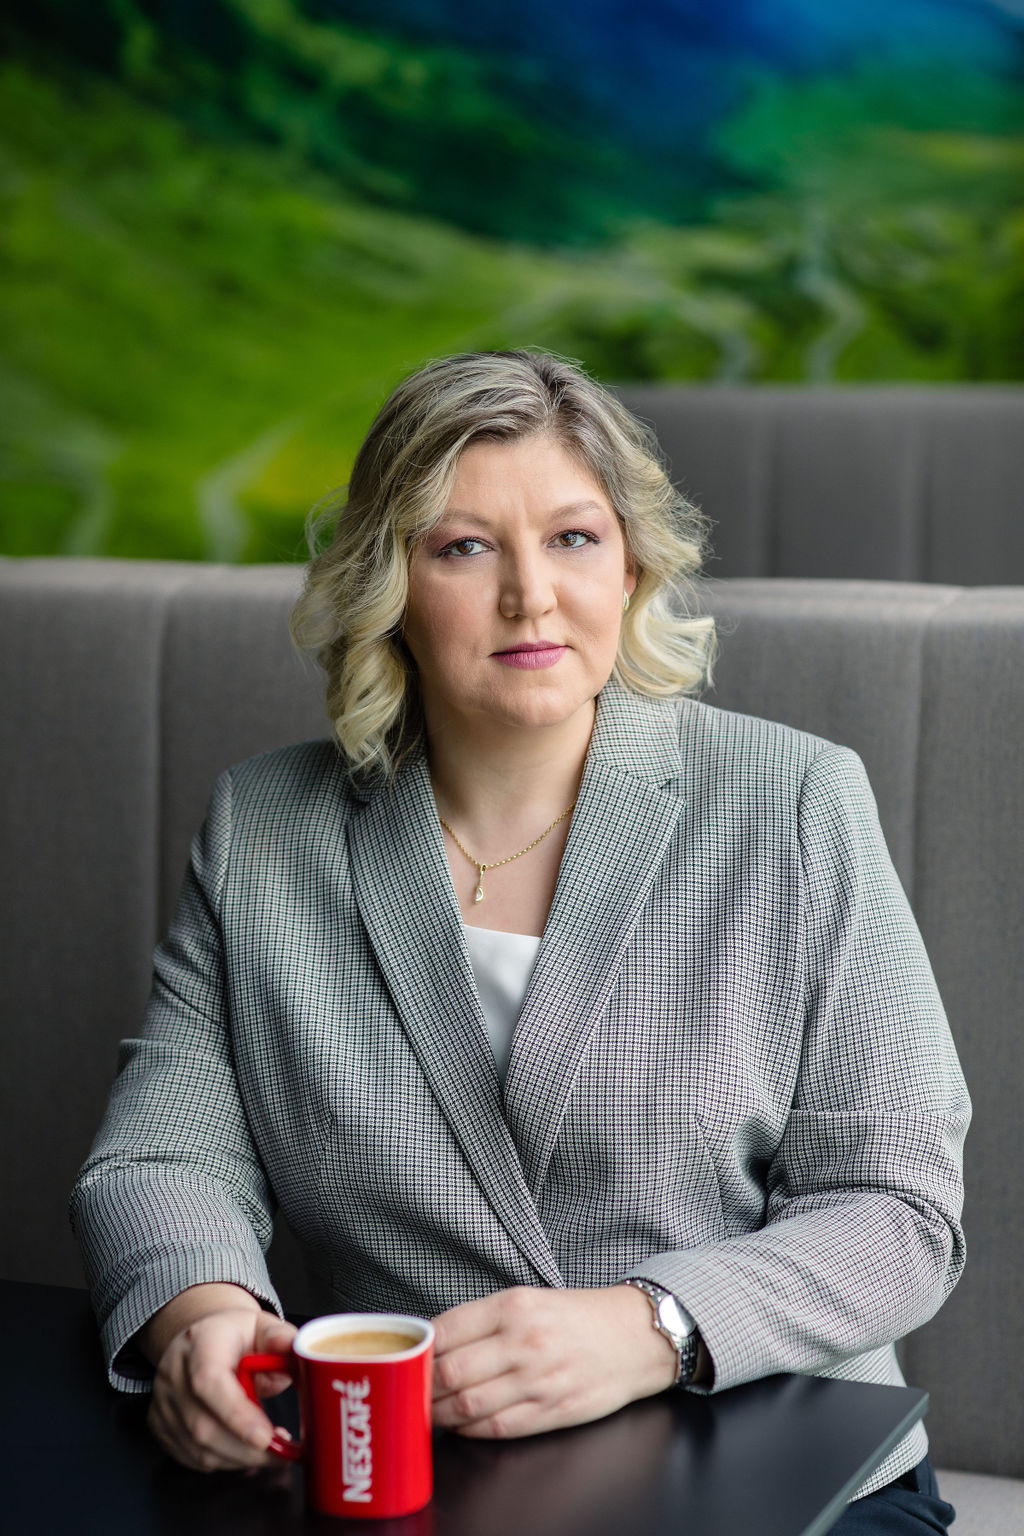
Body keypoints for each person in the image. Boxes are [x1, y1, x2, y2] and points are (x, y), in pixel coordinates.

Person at [71, 349, 968, 1531]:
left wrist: (651, 1327)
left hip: (773, 1460)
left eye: (573, 538)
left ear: (630, 564)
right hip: (420, 1479)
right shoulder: (265, 827)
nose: (529, 596)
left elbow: (898, 1210)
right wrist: (199, 1314)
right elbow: (161, 1157)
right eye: (463, 548)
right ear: (388, 584)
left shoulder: (794, 801)